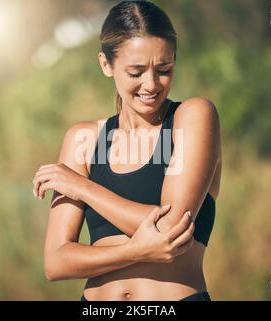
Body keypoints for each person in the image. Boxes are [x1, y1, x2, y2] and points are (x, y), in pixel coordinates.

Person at [32, 0, 222, 301]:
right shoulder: (83, 139)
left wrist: (83, 187)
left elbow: (169, 228)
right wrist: (135, 250)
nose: (151, 85)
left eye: (164, 69)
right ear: (106, 64)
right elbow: (56, 262)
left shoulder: (193, 116)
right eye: (136, 72)